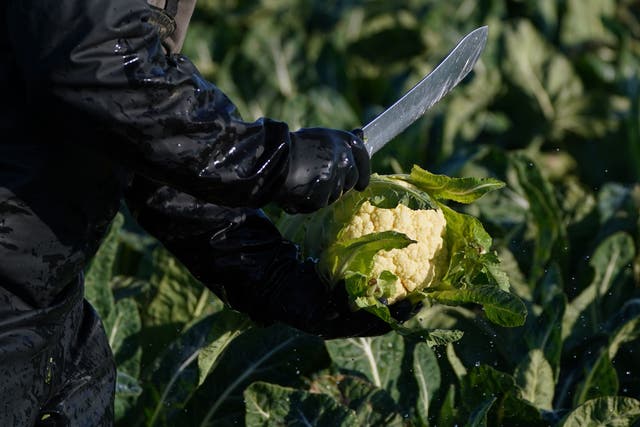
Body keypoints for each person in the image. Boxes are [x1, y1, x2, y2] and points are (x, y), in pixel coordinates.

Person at [0, 1, 414, 425]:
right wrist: (272, 161)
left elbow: (136, 136)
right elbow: (92, 64)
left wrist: (274, 275)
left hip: (47, 315)